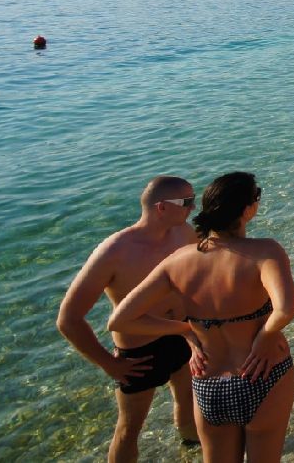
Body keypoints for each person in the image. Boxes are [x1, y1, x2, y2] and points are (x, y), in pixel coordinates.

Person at [109, 172, 294, 463]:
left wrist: (185, 329)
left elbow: (120, 320)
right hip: (263, 373)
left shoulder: (178, 260)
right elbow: (285, 308)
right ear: (248, 209)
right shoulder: (265, 251)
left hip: (208, 383)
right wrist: (266, 335)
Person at [57, 176, 200, 462]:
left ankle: (190, 451)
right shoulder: (114, 252)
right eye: (186, 202)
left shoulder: (183, 233)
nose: (192, 207)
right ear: (160, 207)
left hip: (184, 334)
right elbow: (69, 319)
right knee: (129, 428)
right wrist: (108, 363)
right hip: (139, 354)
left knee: (188, 402)